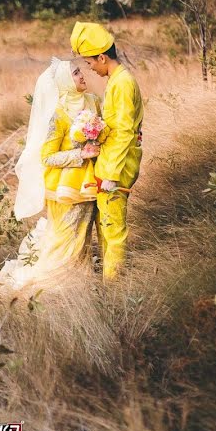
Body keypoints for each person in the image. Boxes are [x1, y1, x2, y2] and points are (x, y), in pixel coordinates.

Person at [0, 58, 103, 293]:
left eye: (80, 71)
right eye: (75, 73)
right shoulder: (59, 115)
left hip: (90, 184)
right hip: (65, 189)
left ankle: (79, 283)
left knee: (82, 237)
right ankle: (52, 286)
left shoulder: (93, 102)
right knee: (64, 237)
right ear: (65, 82)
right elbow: (47, 157)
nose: (82, 75)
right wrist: (81, 153)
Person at [71, 22, 144, 281]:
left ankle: (113, 290)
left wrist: (111, 174)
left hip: (117, 169)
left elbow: (124, 131)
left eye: (91, 63)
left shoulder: (123, 83)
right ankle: (108, 280)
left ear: (102, 57)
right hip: (108, 165)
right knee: (105, 227)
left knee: (113, 230)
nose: (90, 68)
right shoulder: (116, 81)